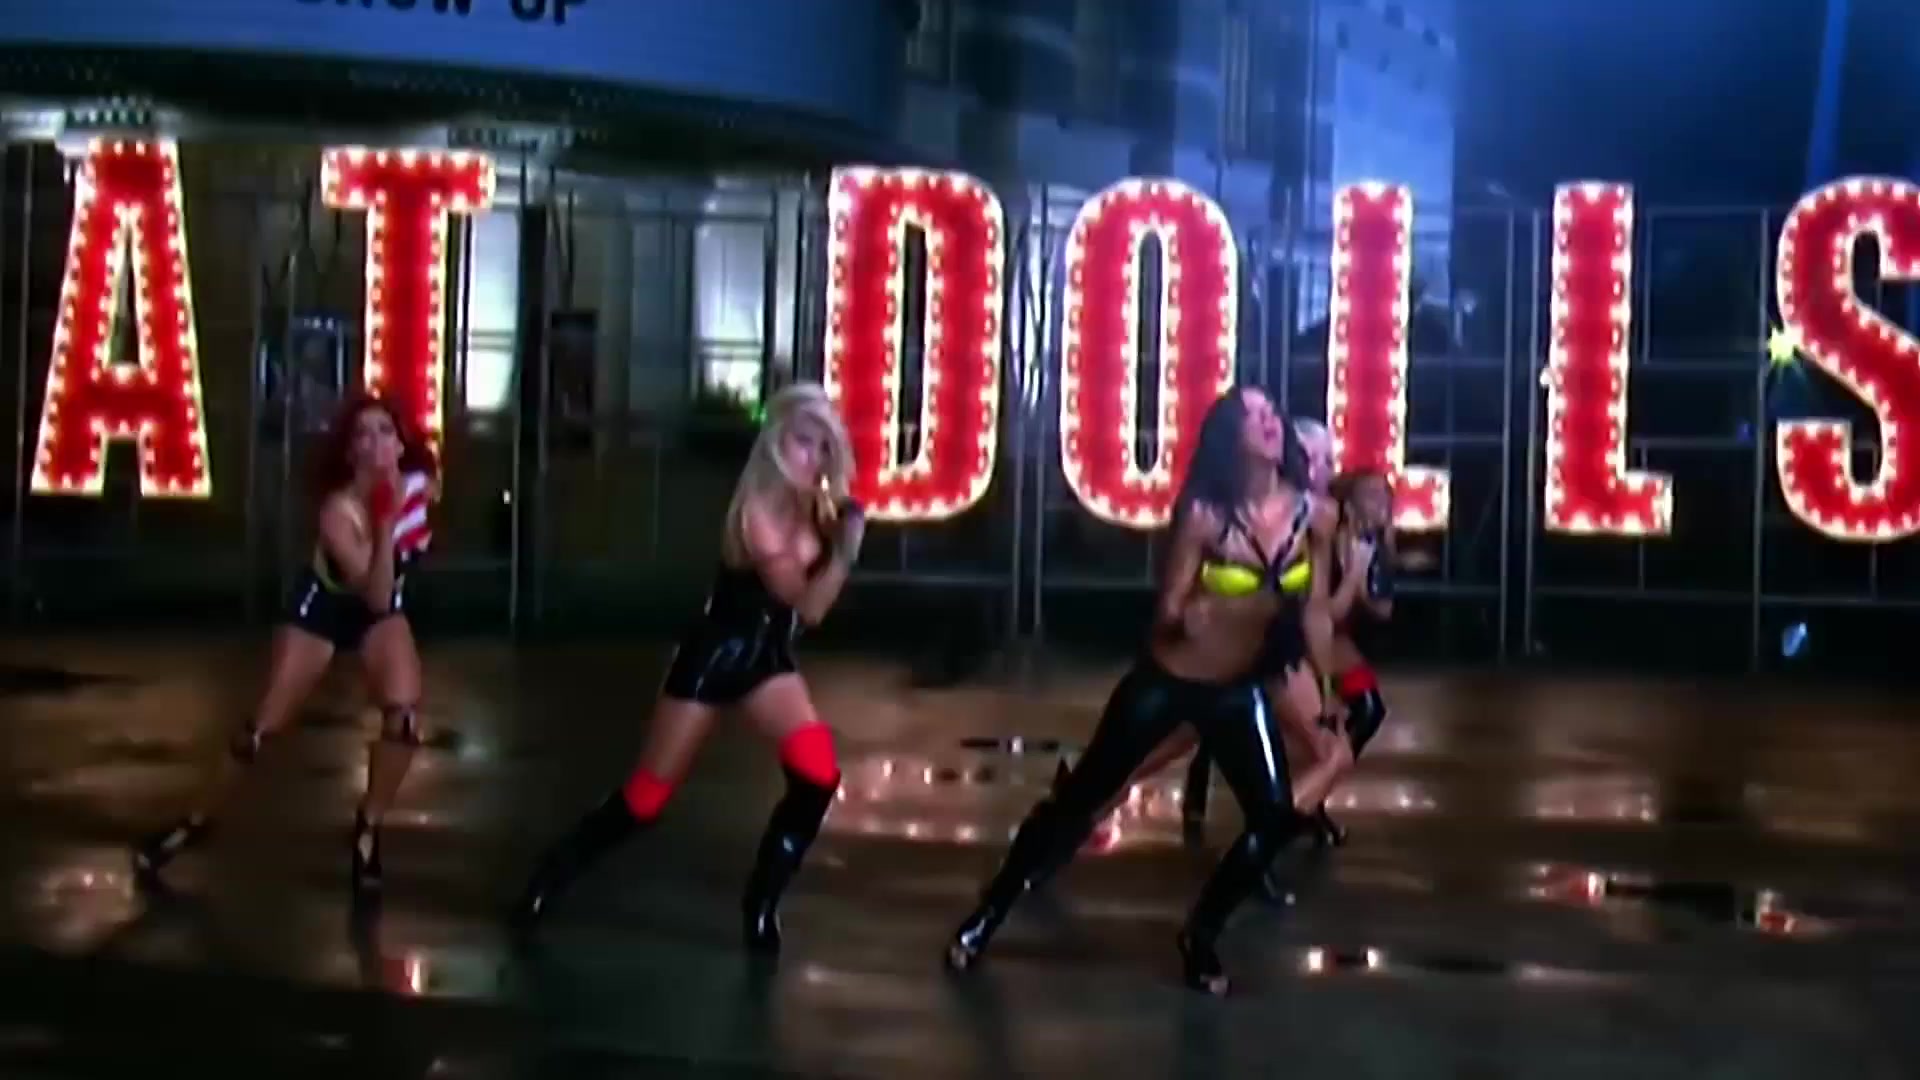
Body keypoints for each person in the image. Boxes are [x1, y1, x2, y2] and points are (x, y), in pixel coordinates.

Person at [945, 386, 1335, 996]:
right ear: (1229, 439)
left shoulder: (1316, 515)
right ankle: (988, 913)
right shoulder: (1204, 513)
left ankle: (1201, 934)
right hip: (1170, 682)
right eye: (1253, 415)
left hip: (1237, 689)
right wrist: (1192, 615)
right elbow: (1167, 609)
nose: (1270, 421)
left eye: (1271, 412)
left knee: (1275, 817)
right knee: (1080, 800)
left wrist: (1326, 687)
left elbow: (1315, 611)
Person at [509, 383, 864, 956]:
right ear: (777, 442)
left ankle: (761, 906)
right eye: (804, 441)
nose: (813, 457)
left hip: (767, 657)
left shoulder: (814, 508)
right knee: (647, 796)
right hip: (715, 653)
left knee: (818, 773)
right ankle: (551, 874)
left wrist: (840, 537)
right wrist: (843, 549)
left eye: (824, 446)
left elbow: (806, 610)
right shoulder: (757, 511)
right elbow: (804, 603)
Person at [132, 394, 437, 900]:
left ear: (400, 445)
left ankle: (368, 828)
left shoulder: (415, 489)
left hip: (377, 612)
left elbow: (389, 594)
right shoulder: (338, 512)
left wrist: (405, 509)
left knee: (403, 720)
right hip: (325, 606)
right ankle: (192, 821)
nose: (376, 443)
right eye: (363, 434)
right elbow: (375, 591)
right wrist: (384, 523)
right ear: (350, 451)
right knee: (260, 729)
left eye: (386, 432)